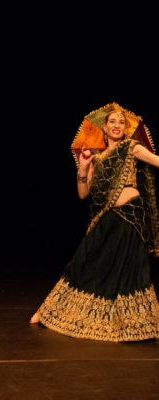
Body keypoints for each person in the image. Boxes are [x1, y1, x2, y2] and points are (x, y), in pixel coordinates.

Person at [30, 107, 159, 342]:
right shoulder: (97, 159)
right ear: (105, 128)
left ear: (126, 129)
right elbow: (83, 194)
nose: (117, 125)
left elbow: (157, 161)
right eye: (112, 122)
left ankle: (134, 322)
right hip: (106, 217)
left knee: (130, 269)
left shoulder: (132, 148)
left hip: (131, 217)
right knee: (83, 261)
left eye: (121, 122)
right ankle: (49, 310)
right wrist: (82, 168)